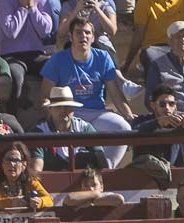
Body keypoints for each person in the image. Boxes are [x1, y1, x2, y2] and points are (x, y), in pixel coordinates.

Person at [40, 18, 134, 168]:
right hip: (70, 113)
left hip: (97, 113)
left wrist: (129, 116)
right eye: (78, 32)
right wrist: (51, 114)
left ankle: (106, 169)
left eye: (87, 33)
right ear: (70, 36)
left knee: (123, 128)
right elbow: (45, 95)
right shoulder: (57, 60)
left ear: (93, 37)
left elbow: (115, 93)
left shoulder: (103, 57)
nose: (83, 36)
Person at [31, 86, 109, 173]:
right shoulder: (39, 132)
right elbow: (36, 169)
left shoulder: (84, 128)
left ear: (73, 109)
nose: (63, 110)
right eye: (58, 107)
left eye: (67, 106)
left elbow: (100, 158)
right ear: (50, 109)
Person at [0, 0, 54, 111]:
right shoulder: (4, 2)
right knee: (15, 75)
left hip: (36, 54)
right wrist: (23, 9)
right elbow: (10, 31)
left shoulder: (43, 1)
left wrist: (32, 8)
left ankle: (49, 114)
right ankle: (12, 116)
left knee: (54, 67)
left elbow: (45, 31)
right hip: (12, 55)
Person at [133, 84, 184, 166]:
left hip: (176, 172)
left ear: (175, 106)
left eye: (171, 104)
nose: (167, 108)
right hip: (146, 171)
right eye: (162, 104)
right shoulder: (141, 120)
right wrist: (158, 122)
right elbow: (135, 131)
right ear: (153, 106)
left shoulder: (180, 120)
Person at [0, 142, 55, 211]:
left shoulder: (30, 181)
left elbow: (50, 200)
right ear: (2, 163)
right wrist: (11, 202)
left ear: (24, 164)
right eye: (8, 160)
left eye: (16, 160)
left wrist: (39, 201)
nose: (11, 164)